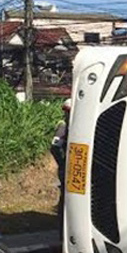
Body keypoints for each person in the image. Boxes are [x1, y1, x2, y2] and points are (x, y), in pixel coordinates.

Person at [50, 99, 71, 239]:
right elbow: (55, 147)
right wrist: (63, 163)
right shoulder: (63, 126)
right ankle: (63, 234)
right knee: (65, 201)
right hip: (67, 169)